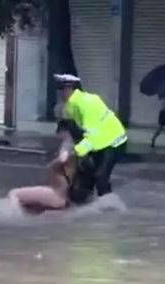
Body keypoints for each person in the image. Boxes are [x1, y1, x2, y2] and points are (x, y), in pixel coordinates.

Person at [54, 73, 127, 204]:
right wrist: (65, 151)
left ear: (71, 89)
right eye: (59, 90)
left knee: (100, 177)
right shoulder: (69, 106)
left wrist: (77, 151)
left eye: (63, 89)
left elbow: (93, 134)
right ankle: (81, 202)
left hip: (113, 141)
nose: (60, 94)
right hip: (95, 143)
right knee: (84, 177)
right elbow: (69, 133)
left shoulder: (87, 103)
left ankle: (111, 207)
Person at [8, 120, 95, 213]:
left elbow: (63, 159)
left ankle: (14, 217)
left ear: (65, 131)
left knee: (14, 193)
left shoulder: (68, 147)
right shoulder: (85, 150)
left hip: (57, 194)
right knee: (31, 205)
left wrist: (53, 162)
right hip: (66, 194)